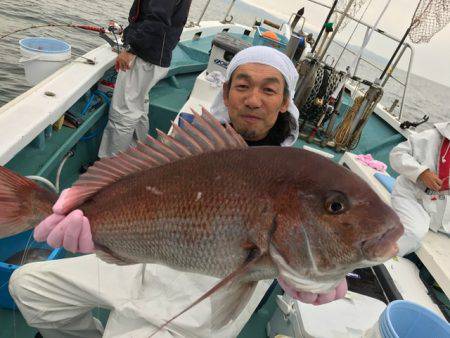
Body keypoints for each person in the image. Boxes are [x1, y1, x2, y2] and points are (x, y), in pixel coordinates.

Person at [9, 46, 347, 338]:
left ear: (285, 101)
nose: (254, 100)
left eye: (269, 90)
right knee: (28, 287)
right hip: (140, 262)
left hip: (199, 305)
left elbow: (315, 238)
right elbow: (141, 185)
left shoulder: (302, 180)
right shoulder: (192, 143)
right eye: (243, 86)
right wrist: (86, 212)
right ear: (226, 93)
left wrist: (323, 276)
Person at [98, 0, 193, 158]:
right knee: (138, 106)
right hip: (156, 56)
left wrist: (131, 48)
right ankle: (136, 154)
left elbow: (157, 20)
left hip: (144, 57)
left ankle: (110, 168)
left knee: (123, 114)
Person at [390, 122, 450, 256]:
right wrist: (422, 173)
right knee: (413, 233)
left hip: (442, 208)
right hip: (413, 196)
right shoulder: (431, 137)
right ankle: (375, 259)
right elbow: (397, 154)